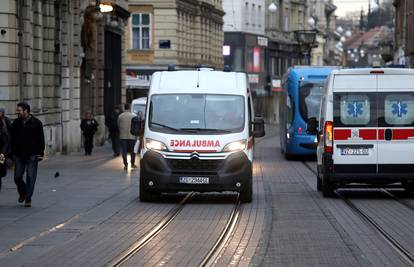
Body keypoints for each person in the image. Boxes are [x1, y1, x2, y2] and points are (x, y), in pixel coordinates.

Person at [11, 102, 45, 207]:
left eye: (19, 111)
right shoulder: (16, 123)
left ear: (26, 111)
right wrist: (12, 153)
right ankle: (23, 192)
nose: (17, 112)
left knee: (31, 177)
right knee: (17, 176)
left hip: (32, 154)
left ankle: (28, 199)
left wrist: (40, 153)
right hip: (19, 154)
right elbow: (12, 138)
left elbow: (41, 139)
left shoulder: (36, 123)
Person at [118, 104, 137, 170]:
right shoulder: (134, 115)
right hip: (132, 135)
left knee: (124, 151)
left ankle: (125, 164)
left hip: (123, 136)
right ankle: (132, 163)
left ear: (124, 108)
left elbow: (118, 125)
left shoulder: (120, 116)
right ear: (130, 108)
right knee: (133, 151)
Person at [0, 118, 10, 191]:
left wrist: (3, 153)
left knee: (1, 171)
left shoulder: (2, 130)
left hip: (1, 155)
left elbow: (6, 143)